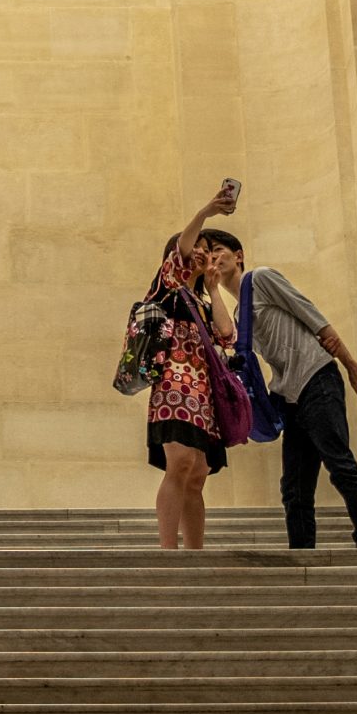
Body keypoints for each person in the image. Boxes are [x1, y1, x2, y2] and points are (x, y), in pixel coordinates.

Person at [198, 229, 357, 549]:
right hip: (290, 396)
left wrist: (351, 365)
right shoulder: (238, 315)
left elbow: (312, 316)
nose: (214, 256)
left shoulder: (262, 278)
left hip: (317, 379)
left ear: (238, 255)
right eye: (208, 253)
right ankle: (303, 554)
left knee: (339, 463)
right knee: (294, 487)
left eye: (219, 250)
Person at [144, 180, 242, 550]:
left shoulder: (200, 301)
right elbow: (182, 250)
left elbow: (226, 334)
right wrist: (206, 212)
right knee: (180, 462)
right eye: (198, 249)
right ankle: (169, 552)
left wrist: (215, 288)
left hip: (204, 392)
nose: (202, 255)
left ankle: (195, 552)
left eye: (207, 251)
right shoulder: (169, 288)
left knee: (198, 473)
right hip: (173, 386)